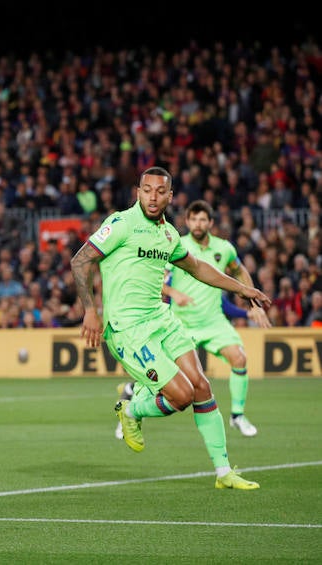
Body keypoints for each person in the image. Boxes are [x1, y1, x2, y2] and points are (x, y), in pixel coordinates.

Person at [70, 166, 270, 490]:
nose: (153, 196)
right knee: (181, 396)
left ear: (170, 195)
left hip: (162, 320)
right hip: (128, 329)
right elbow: (80, 260)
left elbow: (198, 268)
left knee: (202, 387)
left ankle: (224, 473)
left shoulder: (169, 235)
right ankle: (132, 409)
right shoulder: (121, 224)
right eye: (147, 190)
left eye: (160, 191)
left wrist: (243, 289)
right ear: (138, 191)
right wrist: (90, 311)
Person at [114, 199, 271, 440]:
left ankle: (237, 415)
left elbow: (239, 270)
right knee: (166, 380)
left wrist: (253, 303)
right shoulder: (175, 244)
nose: (198, 223)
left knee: (239, 358)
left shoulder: (224, 248)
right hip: (181, 323)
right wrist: (173, 293)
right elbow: (158, 281)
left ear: (210, 223)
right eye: (194, 219)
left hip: (214, 321)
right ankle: (131, 400)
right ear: (187, 222)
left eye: (202, 219)